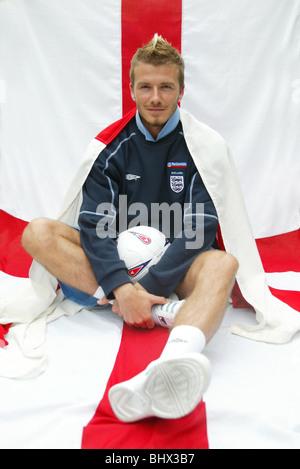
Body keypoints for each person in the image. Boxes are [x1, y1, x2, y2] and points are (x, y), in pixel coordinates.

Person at [22, 35, 238, 422]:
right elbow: (94, 225)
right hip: (118, 270)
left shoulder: (202, 145)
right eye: (146, 87)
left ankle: (171, 366)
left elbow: (200, 227)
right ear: (132, 88)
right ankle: (161, 313)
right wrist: (125, 287)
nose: (155, 97)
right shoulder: (113, 146)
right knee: (37, 232)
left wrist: (149, 288)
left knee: (224, 264)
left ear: (181, 90)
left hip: (175, 265)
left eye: (166, 86)